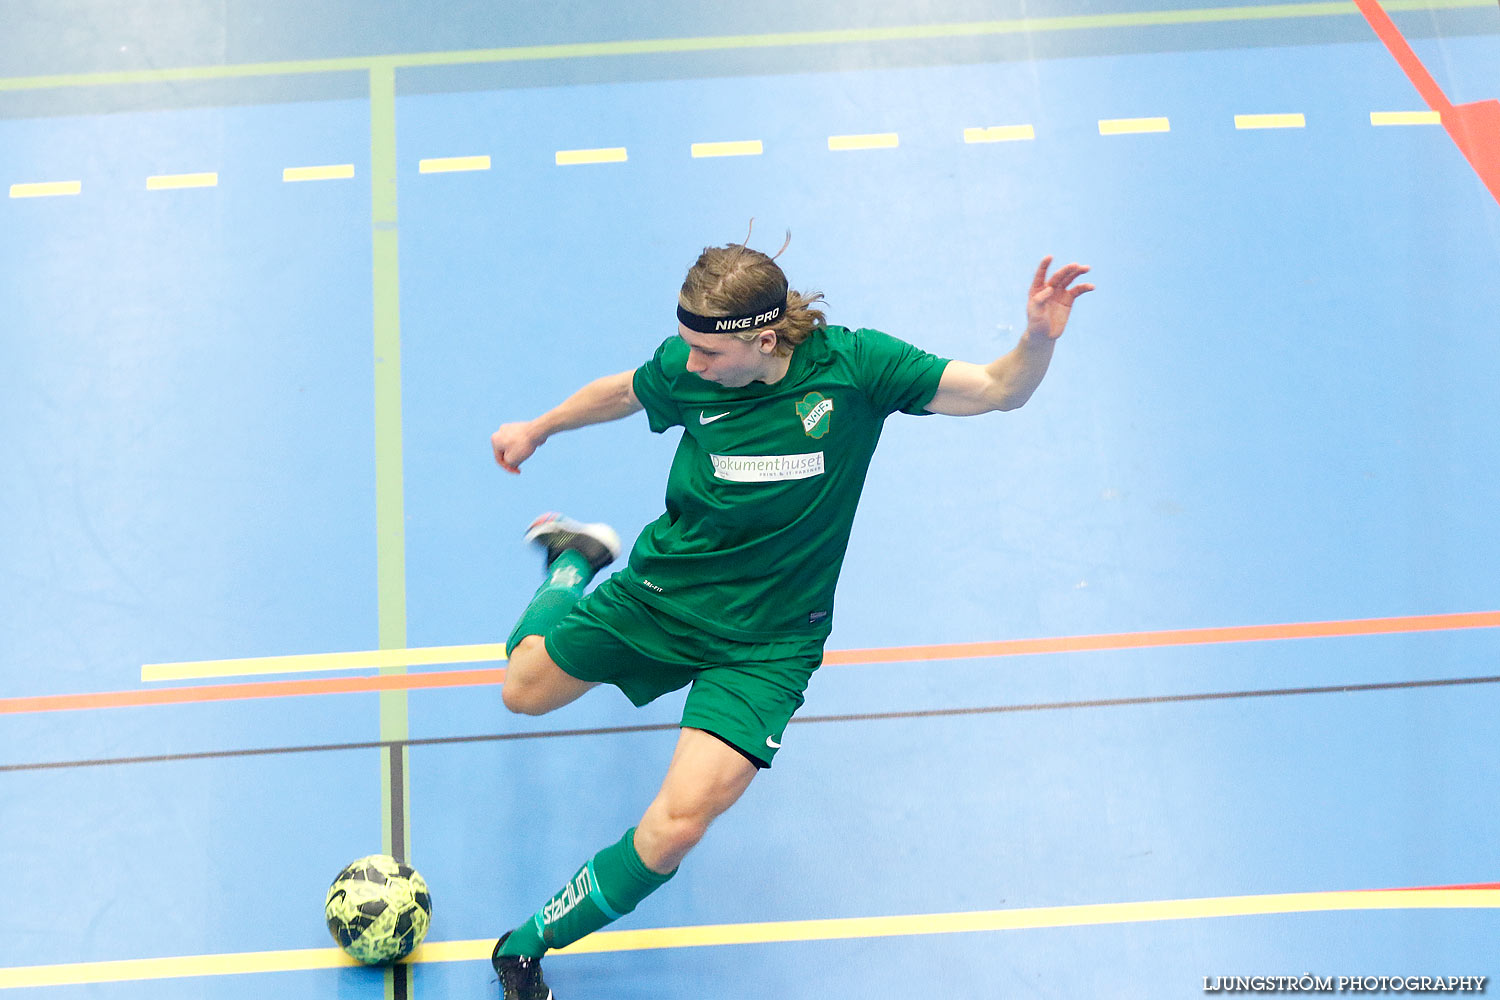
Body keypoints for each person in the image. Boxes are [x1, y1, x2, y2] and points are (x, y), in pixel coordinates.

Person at [486, 230, 1093, 1000]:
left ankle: (526, 945)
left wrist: (1035, 340)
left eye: (707, 355)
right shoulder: (689, 366)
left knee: (674, 828)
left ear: (766, 338)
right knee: (521, 690)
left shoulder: (859, 369)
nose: (690, 366)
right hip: (667, 593)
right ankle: (573, 558)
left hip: (769, 643)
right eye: (686, 350)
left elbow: (1001, 389)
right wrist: (539, 428)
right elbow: (626, 390)